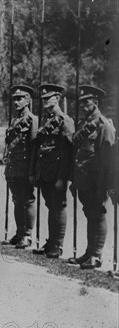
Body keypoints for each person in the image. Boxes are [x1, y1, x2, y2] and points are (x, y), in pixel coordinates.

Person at [68, 85, 116, 269]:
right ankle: (89, 252)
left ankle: (96, 255)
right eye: (80, 102)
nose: (82, 105)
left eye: (86, 102)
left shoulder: (104, 125)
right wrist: (74, 181)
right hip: (83, 180)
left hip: (96, 181)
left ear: (96, 102)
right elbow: (78, 154)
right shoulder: (82, 124)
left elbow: (107, 160)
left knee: (98, 215)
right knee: (89, 215)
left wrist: (103, 185)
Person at [30, 83, 74, 258]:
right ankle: (51, 241)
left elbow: (67, 152)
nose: (45, 101)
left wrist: (62, 178)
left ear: (57, 99)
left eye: (48, 98)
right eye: (43, 99)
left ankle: (58, 244)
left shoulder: (65, 121)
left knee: (58, 206)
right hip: (45, 171)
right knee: (51, 206)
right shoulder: (45, 120)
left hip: (56, 173)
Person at [3, 85, 38, 249]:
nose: (16, 102)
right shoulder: (14, 121)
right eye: (14, 99)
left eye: (20, 99)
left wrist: (32, 170)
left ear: (28, 101)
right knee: (17, 200)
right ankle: (19, 232)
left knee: (27, 200)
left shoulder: (33, 120)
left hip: (25, 166)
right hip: (13, 166)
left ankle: (28, 235)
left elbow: (33, 147)